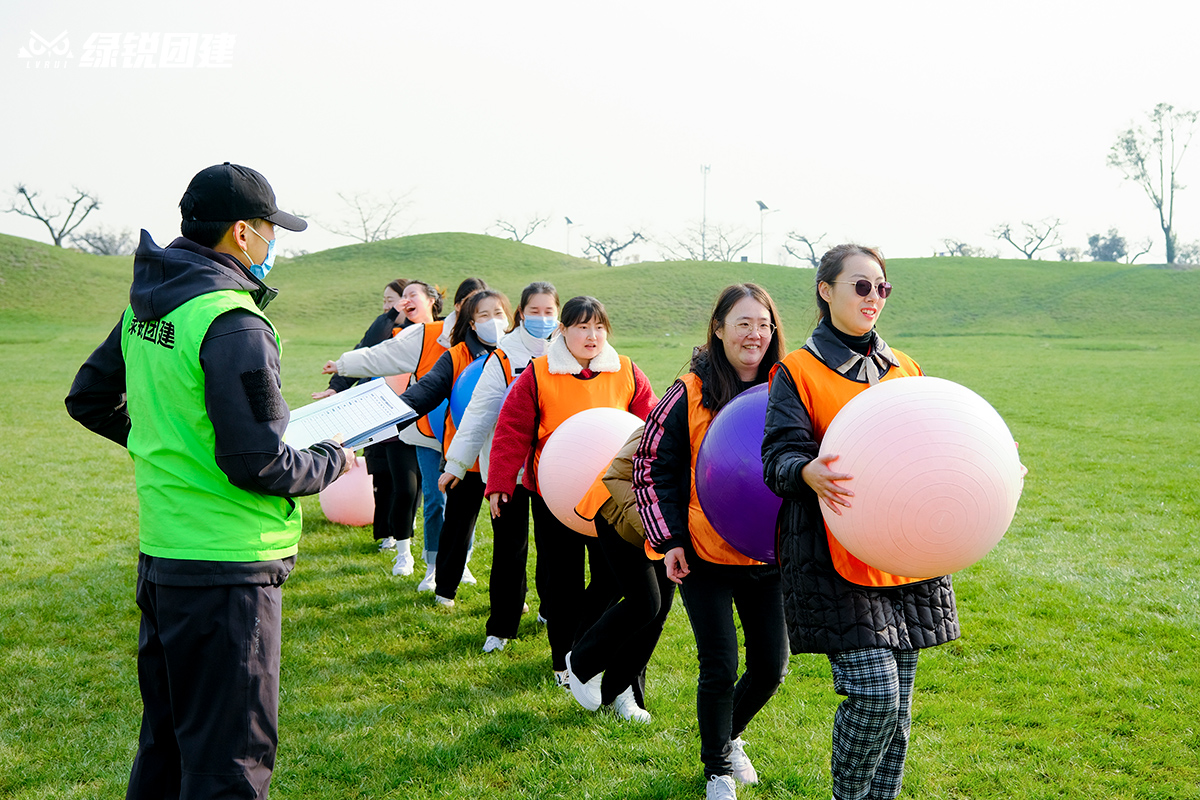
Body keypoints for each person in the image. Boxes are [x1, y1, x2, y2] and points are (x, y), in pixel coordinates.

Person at [64, 162, 352, 800]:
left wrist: (170, 450)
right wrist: (332, 459)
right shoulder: (234, 320)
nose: (275, 243)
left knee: (166, 745)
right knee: (230, 764)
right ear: (243, 234)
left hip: (166, 557)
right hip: (229, 570)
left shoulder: (151, 302)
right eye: (271, 230)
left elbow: (89, 398)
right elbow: (260, 462)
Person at [761, 245, 961, 800]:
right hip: (835, 558)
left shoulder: (908, 370)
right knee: (874, 695)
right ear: (826, 291)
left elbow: (937, 448)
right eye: (861, 286)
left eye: (882, 288)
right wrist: (806, 470)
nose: (874, 298)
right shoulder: (796, 371)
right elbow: (776, 459)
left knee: (899, 711)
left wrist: (986, 460)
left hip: (907, 557)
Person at [634, 284, 789, 799]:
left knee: (771, 666)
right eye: (742, 323)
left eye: (763, 324)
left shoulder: (787, 386)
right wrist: (670, 539)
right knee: (719, 663)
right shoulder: (689, 390)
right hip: (704, 555)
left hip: (768, 554)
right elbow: (651, 465)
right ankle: (717, 769)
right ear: (718, 329)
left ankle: (730, 735)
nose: (755, 334)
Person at [486, 296, 657, 687]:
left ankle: (588, 644)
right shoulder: (539, 373)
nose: (591, 336)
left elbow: (651, 426)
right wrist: (499, 483)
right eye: (582, 327)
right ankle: (563, 663)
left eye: (598, 327)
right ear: (563, 331)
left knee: (613, 579)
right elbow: (512, 430)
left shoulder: (628, 372)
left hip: (610, 500)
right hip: (554, 498)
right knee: (562, 582)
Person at [324, 278, 485, 588]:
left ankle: (461, 562)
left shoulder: (492, 342)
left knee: (463, 503)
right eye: (470, 303)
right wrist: (343, 365)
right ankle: (432, 565)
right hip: (424, 430)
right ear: (457, 306)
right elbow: (380, 353)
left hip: (467, 435)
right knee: (433, 499)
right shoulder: (429, 334)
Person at [438, 281, 560, 651]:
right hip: (504, 469)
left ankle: (550, 610)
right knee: (509, 549)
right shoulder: (503, 356)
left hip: (553, 470)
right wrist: (456, 465)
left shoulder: (569, 353)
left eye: (549, 311)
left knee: (554, 549)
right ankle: (501, 627)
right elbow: (478, 413)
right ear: (521, 313)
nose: (541, 318)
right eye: (534, 311)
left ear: (558, 313)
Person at [388, 288, 513, 606]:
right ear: (471, 323)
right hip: (464, 457)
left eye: (498, 314)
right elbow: (426, 391)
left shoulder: (521, 356)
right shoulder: (456, 356)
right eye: (484, 315)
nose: (493, 321)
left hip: (509, 460)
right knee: (457, 524)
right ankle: (445, 587)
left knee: (510, 535)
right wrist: (390, 414)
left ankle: (511, 596)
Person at [561, 420, 675, 723]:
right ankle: (583, 660)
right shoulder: (679, 404)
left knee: (659, 612)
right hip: (620, 514)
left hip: (671, 526)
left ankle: (620, 692)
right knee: (645, 603)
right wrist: (661, 534)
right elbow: (619, 474)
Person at [313, 279, 421, 556]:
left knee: (410, 477)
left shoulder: (421, 332)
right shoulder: (384, 326)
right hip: (376, 411)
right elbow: (363, 352)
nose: (389, 305)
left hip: (410, 413)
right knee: (382, 473)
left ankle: (406, 527)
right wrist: (335, 387)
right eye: (385, 300)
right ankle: (386, 531)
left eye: (394, 300)